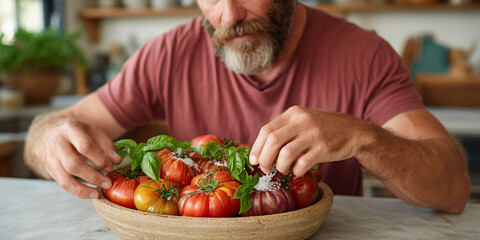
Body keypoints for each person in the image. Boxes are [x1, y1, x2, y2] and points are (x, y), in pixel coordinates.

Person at [24, 0, 470, 214]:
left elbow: (452, 188)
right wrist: (47, 139)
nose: (229, 14)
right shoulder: (167, 54)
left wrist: (364, 136)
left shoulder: (363, 55)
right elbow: (58, 125)